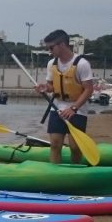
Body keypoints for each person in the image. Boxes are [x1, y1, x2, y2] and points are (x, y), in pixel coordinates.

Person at [36, 29, 95, 165]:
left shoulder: (82, 64)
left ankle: (75, 171)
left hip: (77, 109)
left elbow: (88, 89)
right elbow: (51, 86)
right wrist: (45, 88)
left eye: (51, 47)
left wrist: (73, 108)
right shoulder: (52, 64)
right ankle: (54, 173)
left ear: (62, 44)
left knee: (75, 147)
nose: (49, 51)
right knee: (55, 145)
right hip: (57, 107)